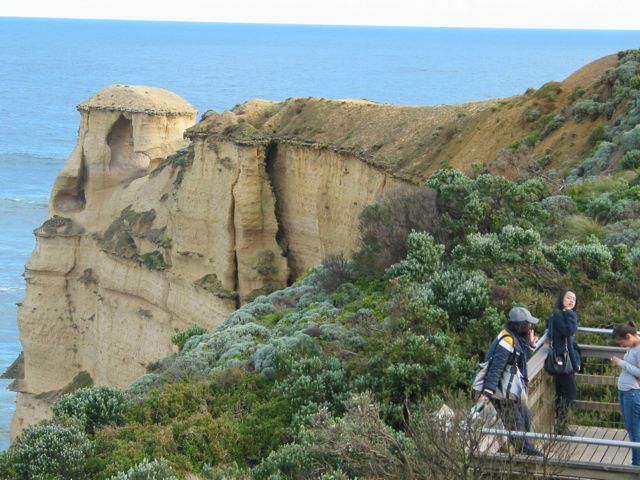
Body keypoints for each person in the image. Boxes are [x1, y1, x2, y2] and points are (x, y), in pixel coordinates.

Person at [478, 306, 542, 456]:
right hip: (503, 394)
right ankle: (527, 455)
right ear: (519, 325)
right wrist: (487, 392)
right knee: (517, 426)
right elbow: (496, 368)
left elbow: (518, 359)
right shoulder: (507, 340)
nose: (530, 327)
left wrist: (530, 346)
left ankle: (526, 452)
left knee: (524, 418)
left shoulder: (515, 338)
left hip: (512, 392)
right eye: (528, 324)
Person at [548, 289, 581, 435]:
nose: (571, 301)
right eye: (568, 298)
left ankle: (561, 426)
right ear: (562, 299)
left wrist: (576, 363)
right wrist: (569, 313)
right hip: (561, 360)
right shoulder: (559, 314)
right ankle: (561, 425)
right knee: (570, 392)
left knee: (562, 393)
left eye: (574, 299)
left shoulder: (559, 315)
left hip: (563, 359)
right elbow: (570, 331)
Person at [611, 321, 640, 467]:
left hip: (633, 393)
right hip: (625, 391)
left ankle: (637, 465)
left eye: (622, 342)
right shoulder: (633, 347)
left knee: (634, 429)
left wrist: (621, 363)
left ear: (629, 336)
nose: (621, 346)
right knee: (630, 427)